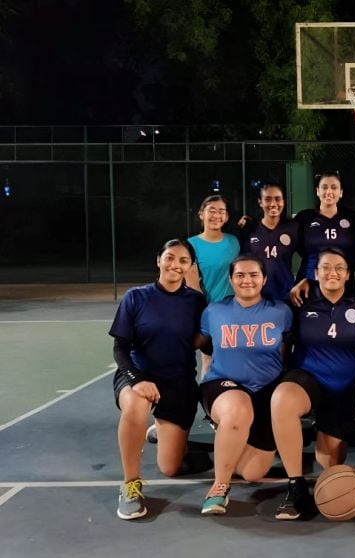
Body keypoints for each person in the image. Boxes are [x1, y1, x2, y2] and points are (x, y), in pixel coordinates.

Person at [109, 239, 206, 520]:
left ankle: (174, 439)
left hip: (179, 381)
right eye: (170, 258)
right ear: (159, 260)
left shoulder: (196, 301)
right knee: (136, 405)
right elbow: (120, 347)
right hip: (138, 375)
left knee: (170, 469)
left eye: (183, 261)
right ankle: (130, 485)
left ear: (190, 267)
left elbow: (203, 342)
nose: (175, 264)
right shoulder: (136, 297)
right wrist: (137, 379)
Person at [270, 248, 355, 520]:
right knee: (282, 400)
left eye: (339, 267)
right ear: (315, 273)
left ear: (349, 274)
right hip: (308, 379)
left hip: (343, 390)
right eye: (325, 267)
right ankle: (296, 486)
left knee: (330, 465)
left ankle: (320, 429)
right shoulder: (299, 301)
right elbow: (282, 341)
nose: (332, 272)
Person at [196, 255, 293, 515]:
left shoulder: (281, 312)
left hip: (264, 390)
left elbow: (284, 350)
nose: (246, 280)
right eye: (240, 275)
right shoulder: (214, 311)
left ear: (264, 279)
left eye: (253, 275)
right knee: (238, 411)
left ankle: (228, 434)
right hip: (223, 384)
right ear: (231, 279)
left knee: (253, 473)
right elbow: (202, 344)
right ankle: (219, 488)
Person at [294, 171, 355, 284]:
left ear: (341, 192)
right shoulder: (304, 218)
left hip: (342, 285)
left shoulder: (353, 219)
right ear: (317, 191)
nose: (329, 191)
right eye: (324, 187)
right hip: (309, 284)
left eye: (334, 187)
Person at [239, 182, 300, 302]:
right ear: (260, 202)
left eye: (278, 199)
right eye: (267, 199)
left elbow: (308, 255)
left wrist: (303, 281)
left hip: (286, 296)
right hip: (256, 297)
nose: (273, 204)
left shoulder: (293, 228)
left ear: (284, 201)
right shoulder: (250, 228)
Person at [186, 194, 241, 303]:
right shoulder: (190, 245)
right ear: (201, 214)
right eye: (212, 211)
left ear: (226, 217)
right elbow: (192, 286)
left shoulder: (234, 242)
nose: (216, 215)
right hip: (205, 308)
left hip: (233, 308)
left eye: (221, 211)